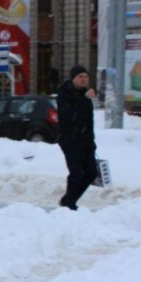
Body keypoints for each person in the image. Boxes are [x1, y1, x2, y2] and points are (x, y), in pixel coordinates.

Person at [57, 65, 98, 211]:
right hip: (70, 141)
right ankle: (70, 204)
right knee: (76, 173)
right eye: (80, 76)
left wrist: (91, 140)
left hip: (87, 141)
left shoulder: (85, 93)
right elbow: (69, 116)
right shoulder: (64, 93)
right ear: (73, 78)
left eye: (86, 77)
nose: (84, 79)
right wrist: (84, 100)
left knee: (92, 172)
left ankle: (68, 198)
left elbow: (87, 120)